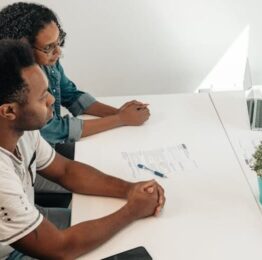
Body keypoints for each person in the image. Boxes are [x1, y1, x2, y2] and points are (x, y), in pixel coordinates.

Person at [0, 39, 165, 259]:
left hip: (28, 223)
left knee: (124, 232)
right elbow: (61, 249)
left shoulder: (22, 130)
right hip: (11, 253)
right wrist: (132, 210)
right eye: (42, 98)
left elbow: (65, 171)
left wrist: (130, 189)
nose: (51, 100)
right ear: (9, 111)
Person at [0, 2, 151, 204]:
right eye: (49, 47)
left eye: (59, 41)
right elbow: (52, 129)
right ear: (23, 46)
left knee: (107, 168)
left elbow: (72, 95)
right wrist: (120, 119)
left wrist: (120, 113)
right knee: (97, 186)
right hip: (33, 163)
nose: (58, 52)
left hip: (47, 153)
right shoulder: (14, 87)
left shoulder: (50, 64)